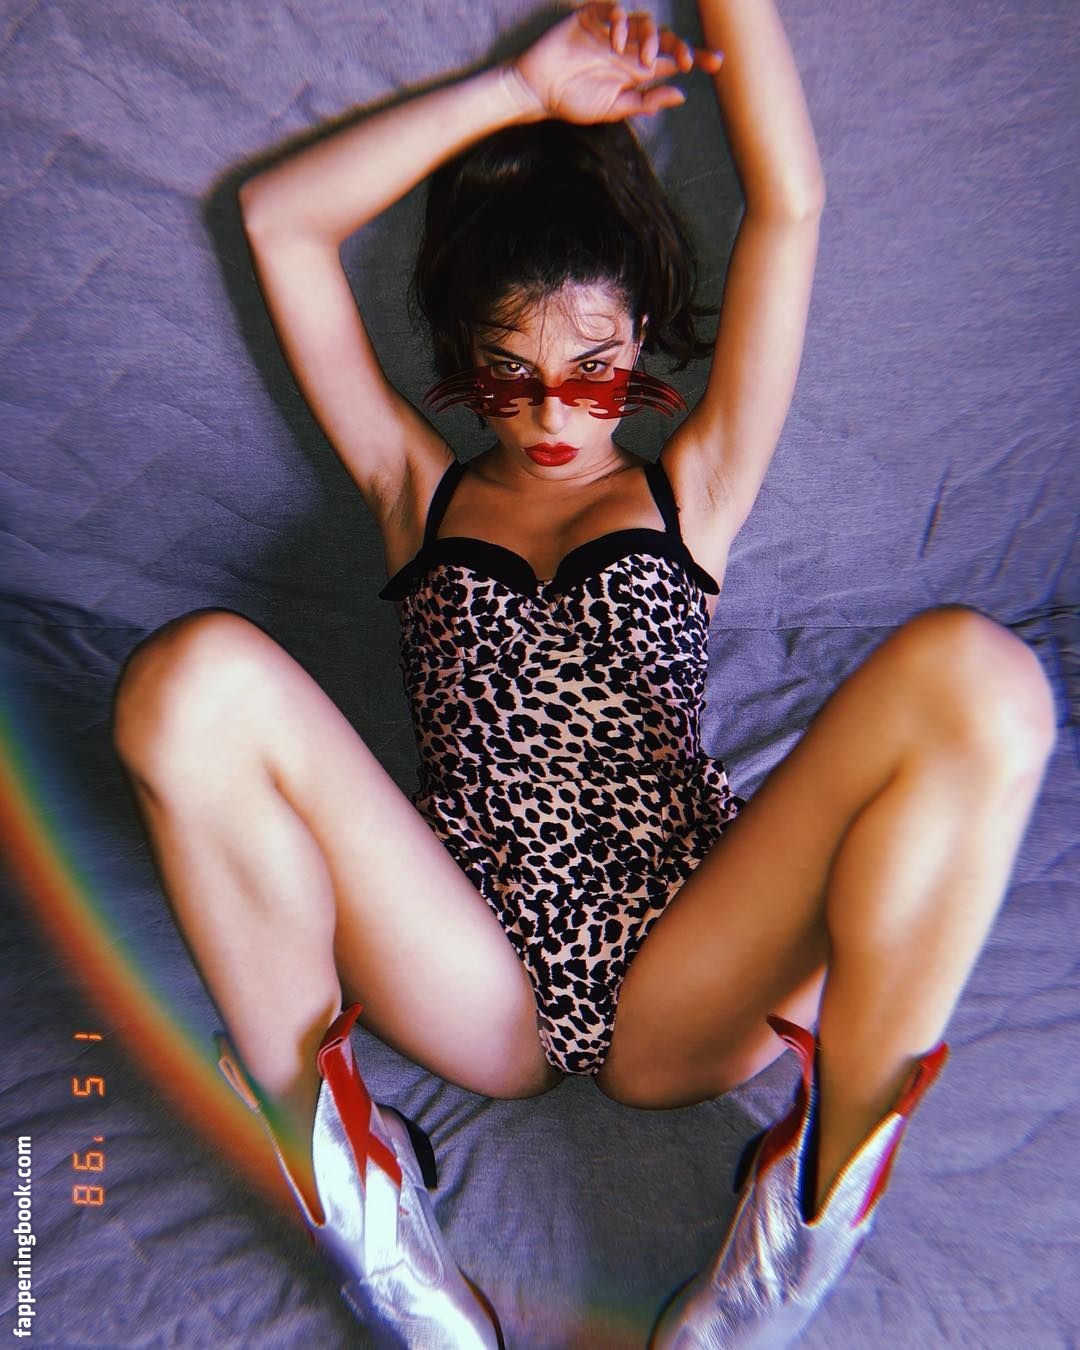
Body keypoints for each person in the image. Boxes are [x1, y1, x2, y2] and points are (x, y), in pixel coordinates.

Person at [111, 2, 1056, 1346]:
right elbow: (281, 223)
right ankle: (364, 1223)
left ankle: (802, 1229)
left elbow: (790, 209)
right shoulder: (414, 489)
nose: (554, 412)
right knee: (183, 679)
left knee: (987, 677)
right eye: (510, 374)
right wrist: (517, 89)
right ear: (464, 361)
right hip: (469, 973)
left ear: (640, 346)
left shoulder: (695, 488)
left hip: (694, 972)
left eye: (595, 370)